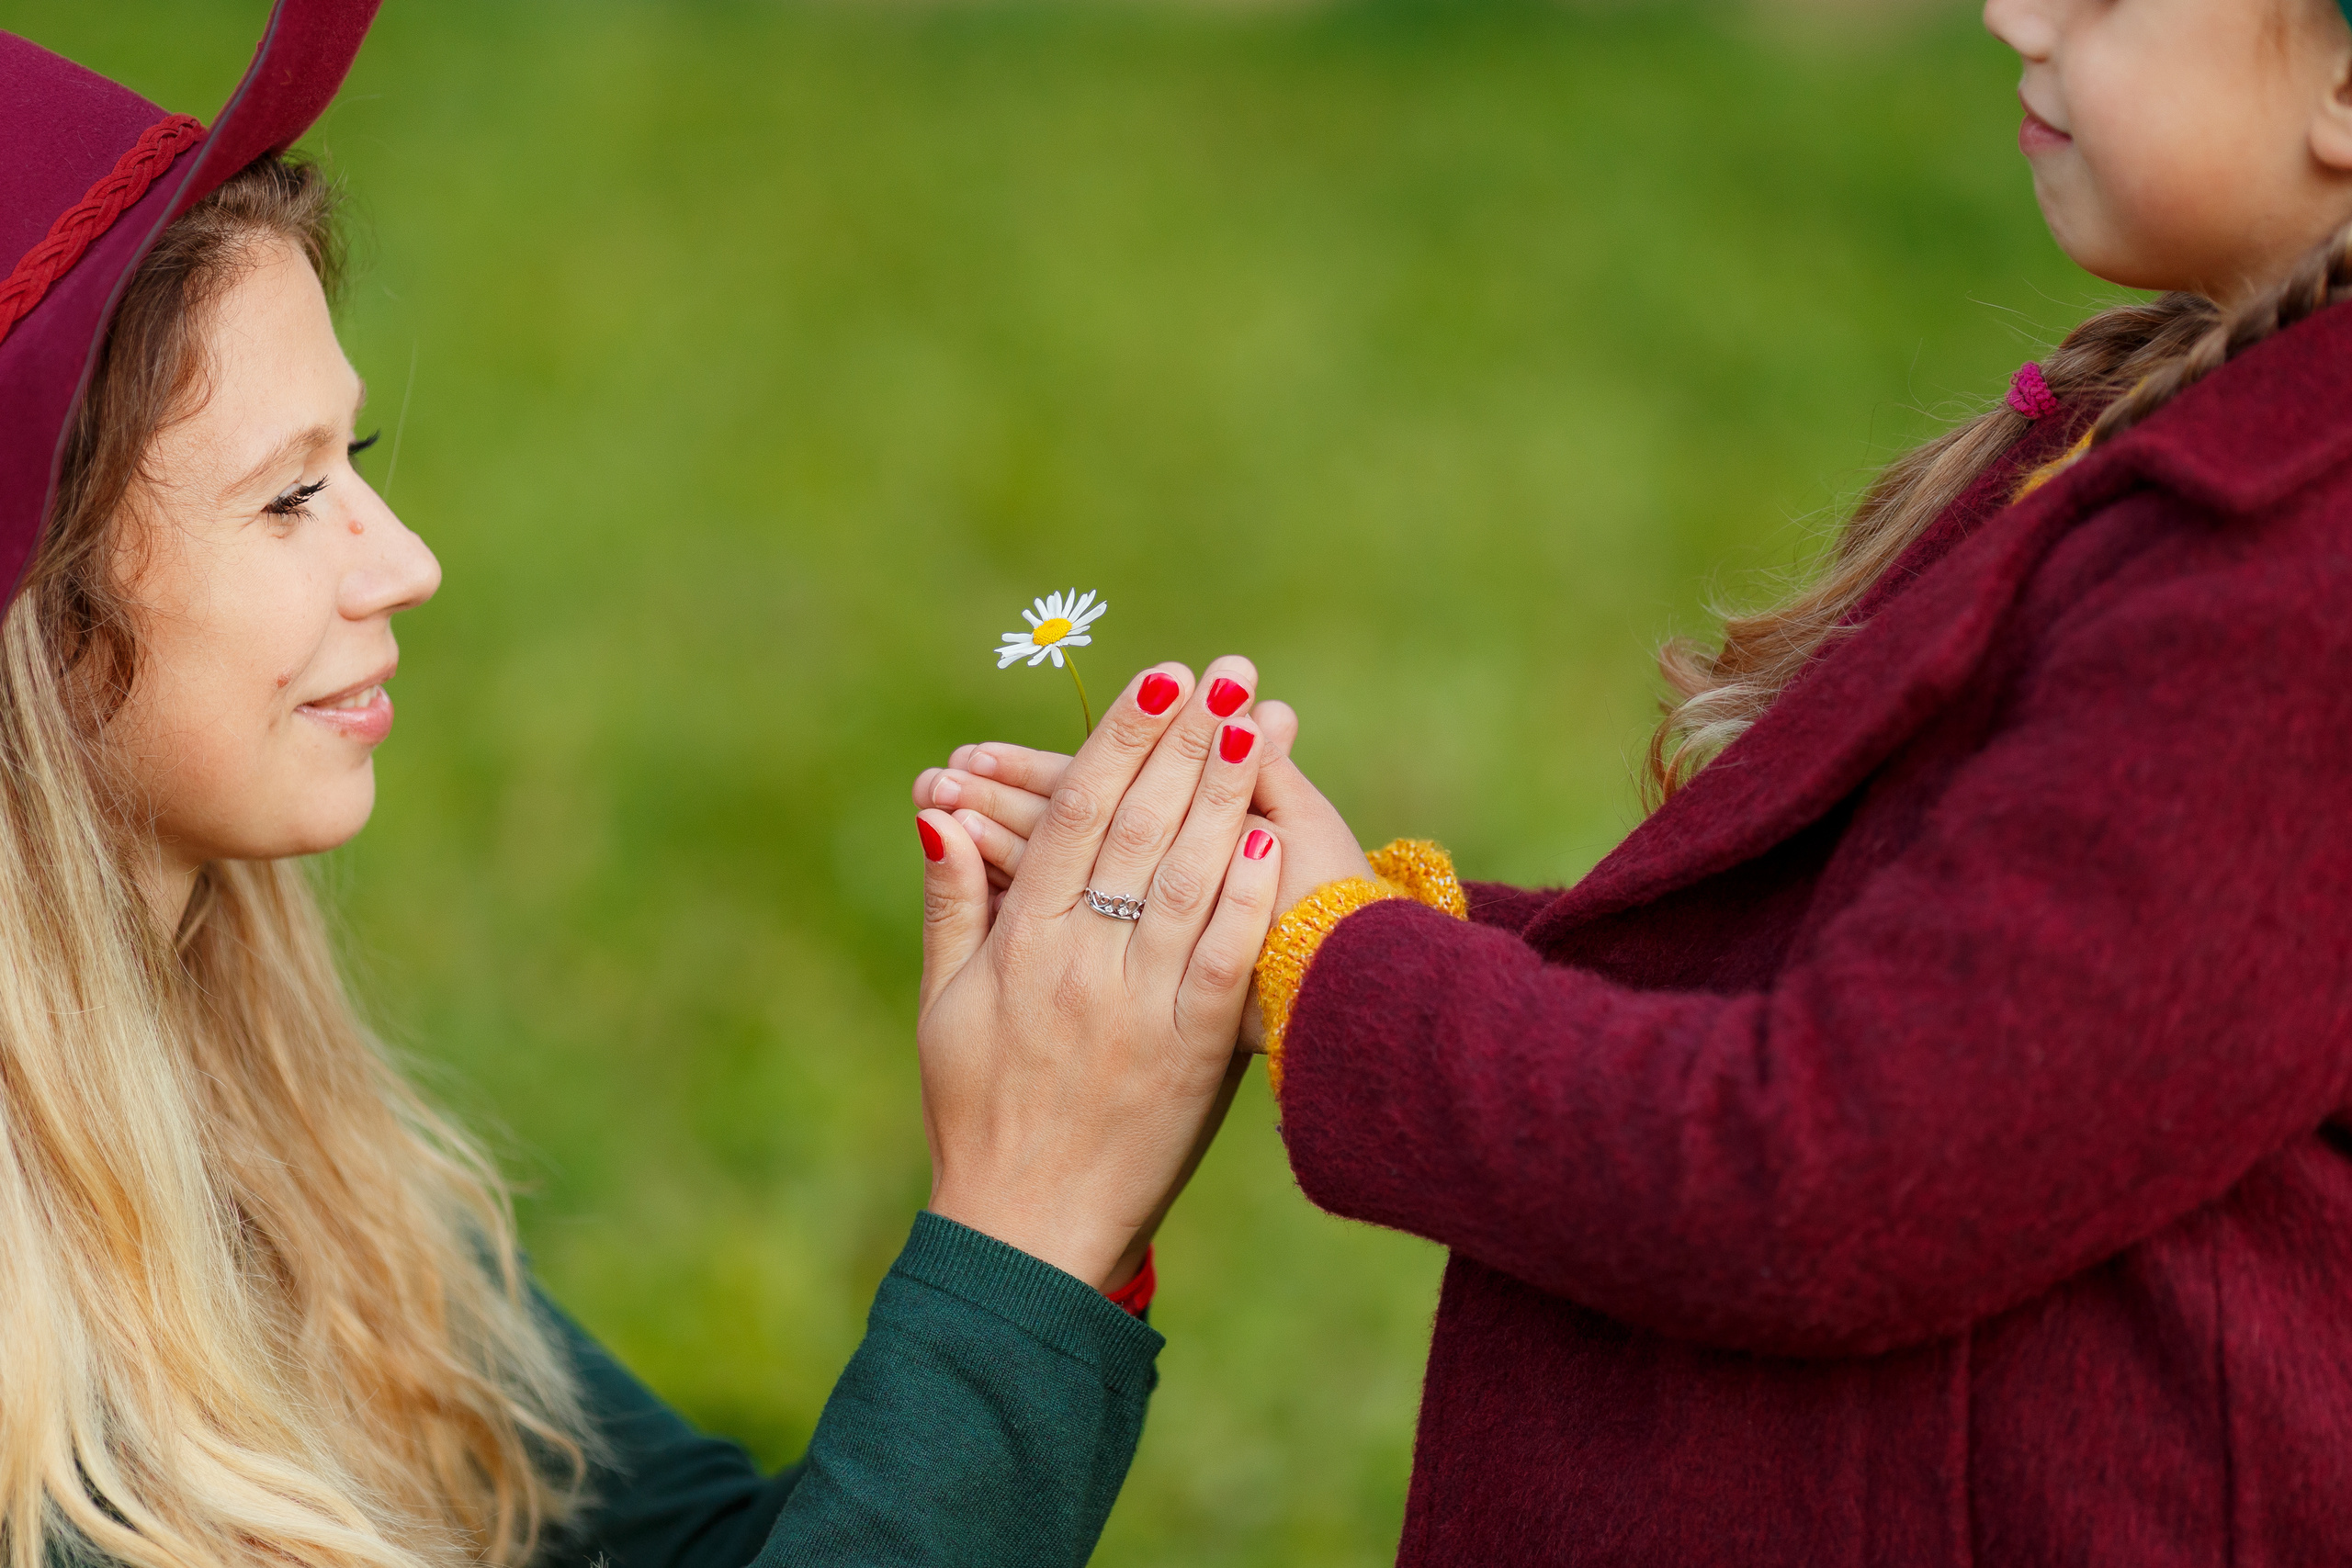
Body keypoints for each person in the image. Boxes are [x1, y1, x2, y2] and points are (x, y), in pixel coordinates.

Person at [921, 0, 2352, 1559]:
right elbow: (1889, 981)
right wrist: (1289, 907)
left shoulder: (2292, 593)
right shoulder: (2196, 452)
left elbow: (1828, 1172)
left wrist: (1340, 972)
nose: (2014, 9)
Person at [0, 6, 1276, 1567]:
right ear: (33, 615)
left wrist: (1061, 1156)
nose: (405, 563)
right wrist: (1029, 1226)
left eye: (364, 455)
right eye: (291, 496)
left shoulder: (271, 1143)